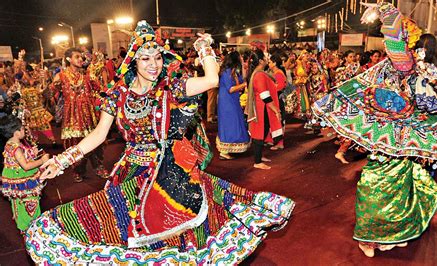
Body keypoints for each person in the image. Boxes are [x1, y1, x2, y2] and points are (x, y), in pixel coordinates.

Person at [26, 21, 294, 264]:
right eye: (145, 59)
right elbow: (98, 135)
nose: (153, 64)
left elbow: (212, 79)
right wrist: (61, 160)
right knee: (126, 238)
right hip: (131, 174)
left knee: (173, 242)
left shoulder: (171, 88)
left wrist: (204, 47)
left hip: (170, 175)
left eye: (157, 58)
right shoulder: (116, 95)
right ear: (133, 62)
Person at [314, 2, 437, 257]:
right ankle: (370, 238)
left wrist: (388, 11)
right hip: (386, 131)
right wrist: (388, 13)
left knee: (397, 187)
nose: (392, 44)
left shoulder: (409, 63)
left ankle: (393, 234)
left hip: (402, 133)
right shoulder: (399, 64)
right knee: (375, 186)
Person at [51, 47, 108, 182]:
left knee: (95, 142)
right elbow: (49, 95)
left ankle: (98, 167)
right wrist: (45, 84)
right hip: (72, 117)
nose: (80, 59)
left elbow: (101, 90)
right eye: (77, 57)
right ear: (69, 59)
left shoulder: (88, 75)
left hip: (89, 115)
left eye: (81, 57)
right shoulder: (61, 76)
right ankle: (77, 170)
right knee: (74, 144)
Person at [0, 115, 49, 233]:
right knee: (29, 201)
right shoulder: (16, 148)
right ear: (16, 133)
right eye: (22, 129)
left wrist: (32, 152)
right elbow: (26, 166)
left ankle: (23, 221)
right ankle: (30, 228)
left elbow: (20, 158)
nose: (24, 130)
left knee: (19, 202)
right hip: (23, 179)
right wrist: (42, 161)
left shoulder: (10, 143)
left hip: (14, 177)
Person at [245, 49, 283, 170]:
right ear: (261, 61)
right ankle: (257, 161)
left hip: (262, 108)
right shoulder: (260, 75)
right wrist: (276, 110)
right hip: (261, 110)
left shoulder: (259, 73)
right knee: (259, 134)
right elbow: (265, 95)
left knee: (263, 131)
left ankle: (259, 156)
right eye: (266, 57)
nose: (268, 59)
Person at [216, 51, 250, 159]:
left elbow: (242, 80)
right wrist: (245, 84)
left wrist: (245, 68)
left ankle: (230, 148)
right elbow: (231, 89)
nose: (241, 59)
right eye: (240, 58)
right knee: (230, 123)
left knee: (236, 122)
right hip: (227, 102)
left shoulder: (233, 71)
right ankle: (224, 151)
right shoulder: (226, 72)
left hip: (233, 101)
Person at [268, 54, 287, 150]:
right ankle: (274, 140)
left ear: (274, 63)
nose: (269, 63)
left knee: (278, 120)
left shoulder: (278, 73)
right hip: (276, 99)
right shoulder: (276, 72)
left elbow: (280, 86)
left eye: (270, 62)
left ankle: (280, 143)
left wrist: (269, 88)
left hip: (277, 100)